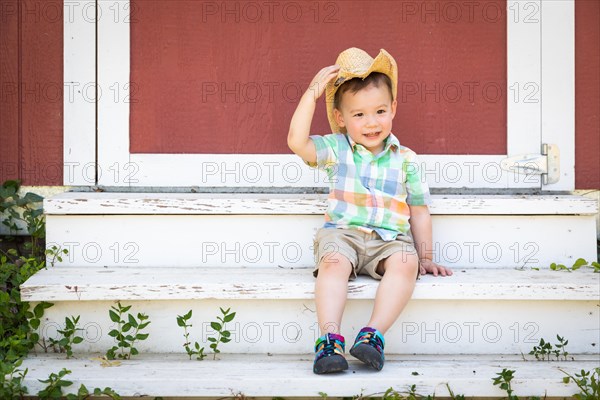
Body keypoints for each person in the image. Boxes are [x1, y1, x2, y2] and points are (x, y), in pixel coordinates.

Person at [287, 48, 453, 374]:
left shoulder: (406, 159)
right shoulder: (336, 150)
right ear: (341, 119)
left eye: (379, 111)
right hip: (344, 234)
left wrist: (426, 255)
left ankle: (372, 335)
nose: (371, 122)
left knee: (407, 263)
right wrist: (311, 94)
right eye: (359, 115)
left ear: (393, 108)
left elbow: (418, 210)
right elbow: (296, 141)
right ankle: (329, 339)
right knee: (333, 263)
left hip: (389, 240)